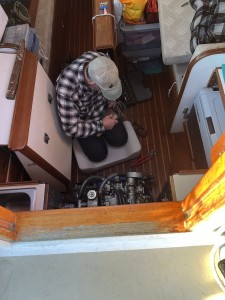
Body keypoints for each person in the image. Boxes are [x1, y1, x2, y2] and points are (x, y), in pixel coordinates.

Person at [56, 51, 128, 162]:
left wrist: (111, 98)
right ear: (91, 83)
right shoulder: (66, 90)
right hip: (83, 121)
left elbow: (110, 81)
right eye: (104, 90)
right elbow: (71, 129)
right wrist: (101, 126)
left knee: (121, 139)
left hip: (100, 108)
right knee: (99, 155)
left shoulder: (102, 60)